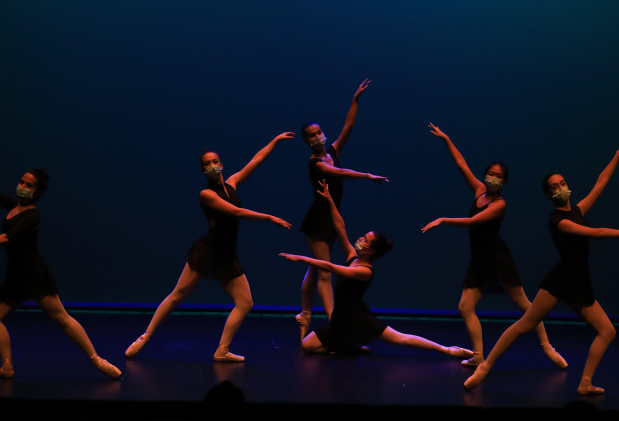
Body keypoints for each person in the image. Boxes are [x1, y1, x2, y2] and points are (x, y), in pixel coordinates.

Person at [463, 144, 619, 395]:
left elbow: (601, 182)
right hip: (561, 280)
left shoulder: (578, 210)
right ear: (548, 195)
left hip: (579, 282)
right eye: (554, 187)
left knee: (607, 332)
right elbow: (595, 233)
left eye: (562, 183)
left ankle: (585, 383)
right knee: (524, 325)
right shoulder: (559, 221)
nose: (560, 188)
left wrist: (617, 155)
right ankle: (485, 367)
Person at [0, 154, 121, 379]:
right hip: (16, 274)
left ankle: (97, 360)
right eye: (22, 182)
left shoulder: (32, 215)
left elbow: (7, 237)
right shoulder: (13, 207)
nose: (22, 186)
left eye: (28, 185)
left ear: (37, 192)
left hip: (33, 274)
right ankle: (7, 366)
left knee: (61, 318)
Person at [125, 132, 294, 362]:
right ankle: (145, 337)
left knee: (245, 303)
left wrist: (275, 141)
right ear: (203, 170)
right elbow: (235, 212)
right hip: (208, 251)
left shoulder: (232, 183)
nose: (212, 166)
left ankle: (222, 350)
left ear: (221, 163)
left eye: (215, 162)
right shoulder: (206, 195)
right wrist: (268, 217)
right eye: (207, 164)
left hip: (227, 253)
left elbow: (255, 161)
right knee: (178, 295)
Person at [422, 123, 567, 369]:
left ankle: (548, 348)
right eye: (492, 173)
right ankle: (479, 355)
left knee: (526, 307)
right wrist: (446, 138)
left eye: (500, 176)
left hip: (498, 258)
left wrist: (443, 219)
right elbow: (461, 164)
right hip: (479, 259)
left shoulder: (500, 205)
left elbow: (472, 221)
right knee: (465, 306)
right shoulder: (479, 190)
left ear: (504, 181)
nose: (495, 178)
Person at [281, 181, 472, 358]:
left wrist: (305, 258)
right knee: (307, 345)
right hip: (340, 320)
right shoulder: (353, 258)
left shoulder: (365, 271)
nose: (360, 239)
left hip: (357, 318)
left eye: (365, 240)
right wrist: (330, 200)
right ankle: (347, 346)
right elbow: (340, 227)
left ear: (370, 250)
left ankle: (446, 350)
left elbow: (331, 267)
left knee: (400, 338)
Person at [297, 78, 389, 340]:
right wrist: (368, 176)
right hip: (318, 220)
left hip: (331, 217)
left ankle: (304, 312)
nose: (317, 137)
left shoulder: (332, 151)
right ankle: (334, 325)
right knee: (324, 271)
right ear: (307, 141)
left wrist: (355, 100)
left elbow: (348, 126)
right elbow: (341, 173)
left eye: (318, 132)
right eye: (311, 136)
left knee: (316, 268)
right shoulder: (316, 163)